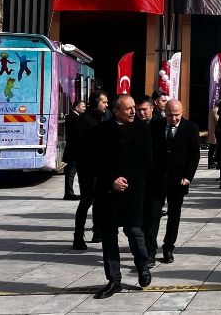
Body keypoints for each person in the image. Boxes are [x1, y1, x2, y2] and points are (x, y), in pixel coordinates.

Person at [91, 95, 153, 299]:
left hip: (133, 190)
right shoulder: (101, 131)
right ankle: (114, 280)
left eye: (134, 107)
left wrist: (127, 179)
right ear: (116, 111)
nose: (133, 111)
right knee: (109, 236)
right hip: (109, 192)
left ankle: (143, 267)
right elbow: (96, 162)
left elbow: (146, 161)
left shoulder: (143, 130)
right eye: (128, 108)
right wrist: (112, 180)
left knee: (135, 231)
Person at [143, 99, 200, 267]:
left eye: (176, 115)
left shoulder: (190, 128)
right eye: (169, 115)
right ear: (163, 112)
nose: (173, 118)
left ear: (182, 112)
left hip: (178, 180)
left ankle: (168, 248)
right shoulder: (155, 126)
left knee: (174, 216)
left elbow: (194, 155)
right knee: (152, 216)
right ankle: (150, 252)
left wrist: (188, 176)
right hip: (156, 179)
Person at [73, 91, 108, 250]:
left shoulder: (104, 117)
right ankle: (78, 236)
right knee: (86, 200)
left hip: (101, 168)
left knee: (100, 200)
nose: (106, 105)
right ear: (95, 103)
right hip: (88, 168)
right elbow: (80, 147)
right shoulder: (84, 120)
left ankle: (98, 230)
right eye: (104, 102)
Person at [62, 99, 86, 201]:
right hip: (74, 150)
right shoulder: (74, 118)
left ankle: (69, 193)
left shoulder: (73, 117)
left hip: (72, 149)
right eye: (83, 106)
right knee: (71, 172)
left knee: (71, 172)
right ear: (77, 107)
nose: (84, 108)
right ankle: (69, 193)